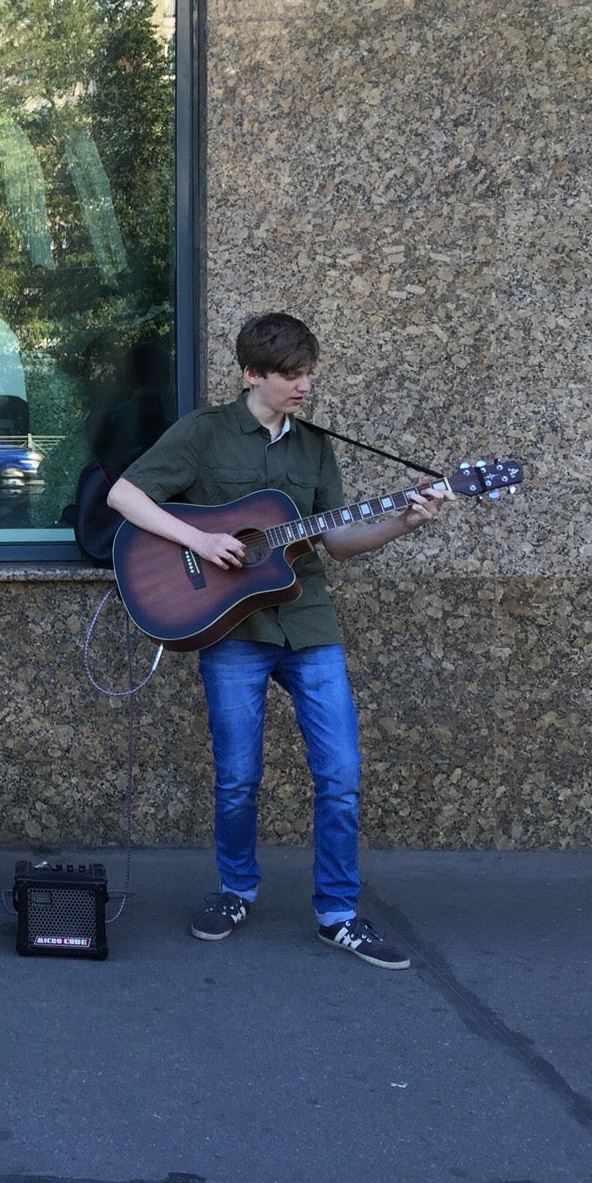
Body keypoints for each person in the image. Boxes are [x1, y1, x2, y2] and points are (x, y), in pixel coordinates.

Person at [104, 312, 449, 969]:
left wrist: (407, 518)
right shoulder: (204, 434)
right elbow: (126, 495)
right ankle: (235, 890)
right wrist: (200, 540)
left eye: (308, 373)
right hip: (232, 627)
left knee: (341, 774)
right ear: (251, 374)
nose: (304, 386)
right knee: (238, 777)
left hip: (308, 619)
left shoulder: (315, 446)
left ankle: (339, 914)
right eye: (290, 375)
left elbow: (339, 543)